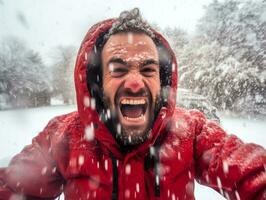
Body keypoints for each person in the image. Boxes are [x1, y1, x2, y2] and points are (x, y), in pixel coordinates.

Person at [0, 8, 265, 200]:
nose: (135, 83)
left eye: (148, 70)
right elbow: (11, 189)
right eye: (118, 69)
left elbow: (254, 174)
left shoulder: (191, 131)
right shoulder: (62, 137)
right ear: (97, 82)